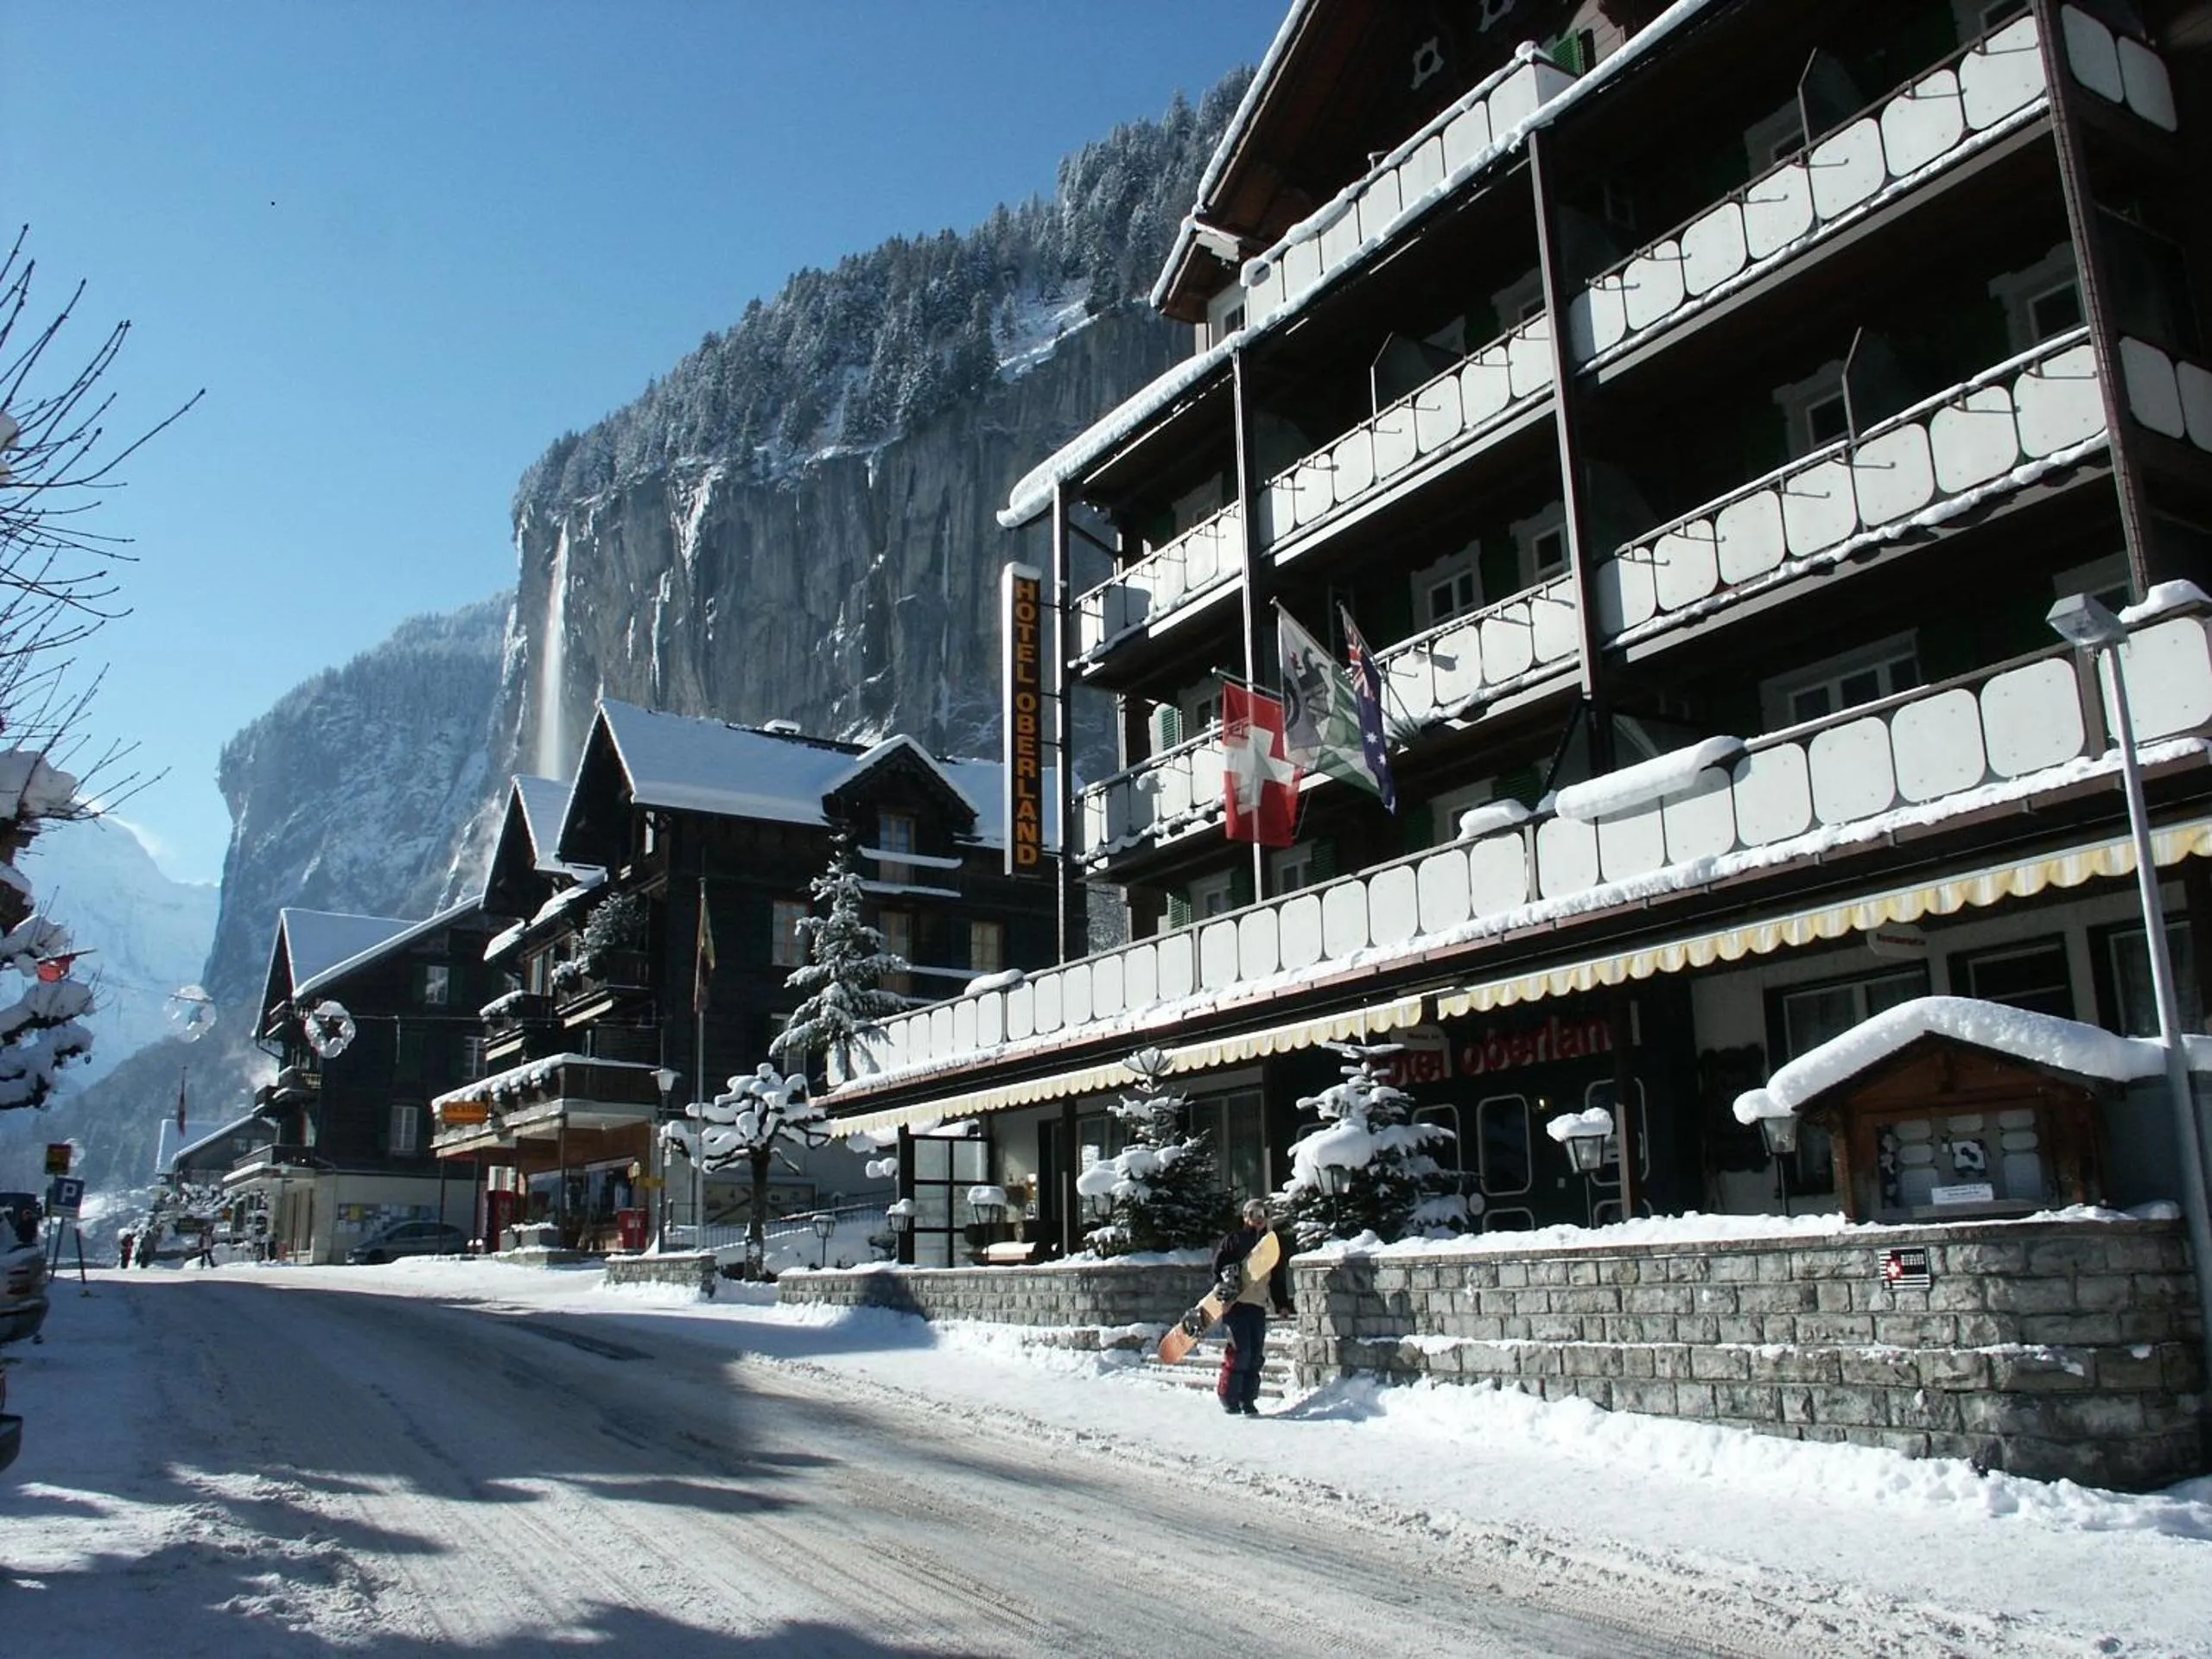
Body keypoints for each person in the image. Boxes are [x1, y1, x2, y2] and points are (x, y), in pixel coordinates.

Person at [1213, 1198, 1294, 1418]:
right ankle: (1229, 1397)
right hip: (1236, 1305)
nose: (1258, 1219)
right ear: (1246, 1216)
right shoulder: (1234, 1240)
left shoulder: (1270, 1247)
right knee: (1241, 1351)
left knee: (1255, 1355)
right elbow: (1218, 1268)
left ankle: (1248, 1400)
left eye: (1263, 1215)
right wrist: (1223, 1296)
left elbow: (1277, 1279)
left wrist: (1282, 1303)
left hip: (1258, 1305)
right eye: (1254, 1214)